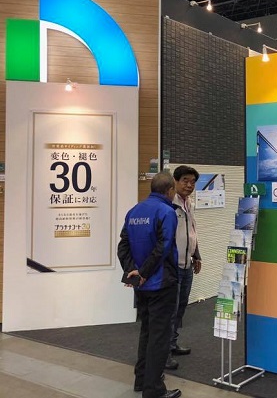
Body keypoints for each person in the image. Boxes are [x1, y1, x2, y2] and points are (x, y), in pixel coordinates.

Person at [117, 172, 182, 398]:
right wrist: (144, 272)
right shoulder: (166, 212)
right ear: (170, 190)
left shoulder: (134, 211)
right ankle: (154, 390)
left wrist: (133, 273)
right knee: (159, 337)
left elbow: (123, 246)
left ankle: (141, 380)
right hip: (162, 283)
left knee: (146, 331)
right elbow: (164, 247)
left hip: (142, 285)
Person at [165, 166, 202, 370]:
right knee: (170, 310)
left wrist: (196, 255)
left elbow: (191, 232)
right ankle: (163, 353)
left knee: (181, 307)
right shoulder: (170, 205)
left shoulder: (190, 204)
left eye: (193, 182)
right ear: (175, 181)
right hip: (172, 267)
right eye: (185, 180)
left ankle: (172, 343)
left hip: (187, 264)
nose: (189, 185)